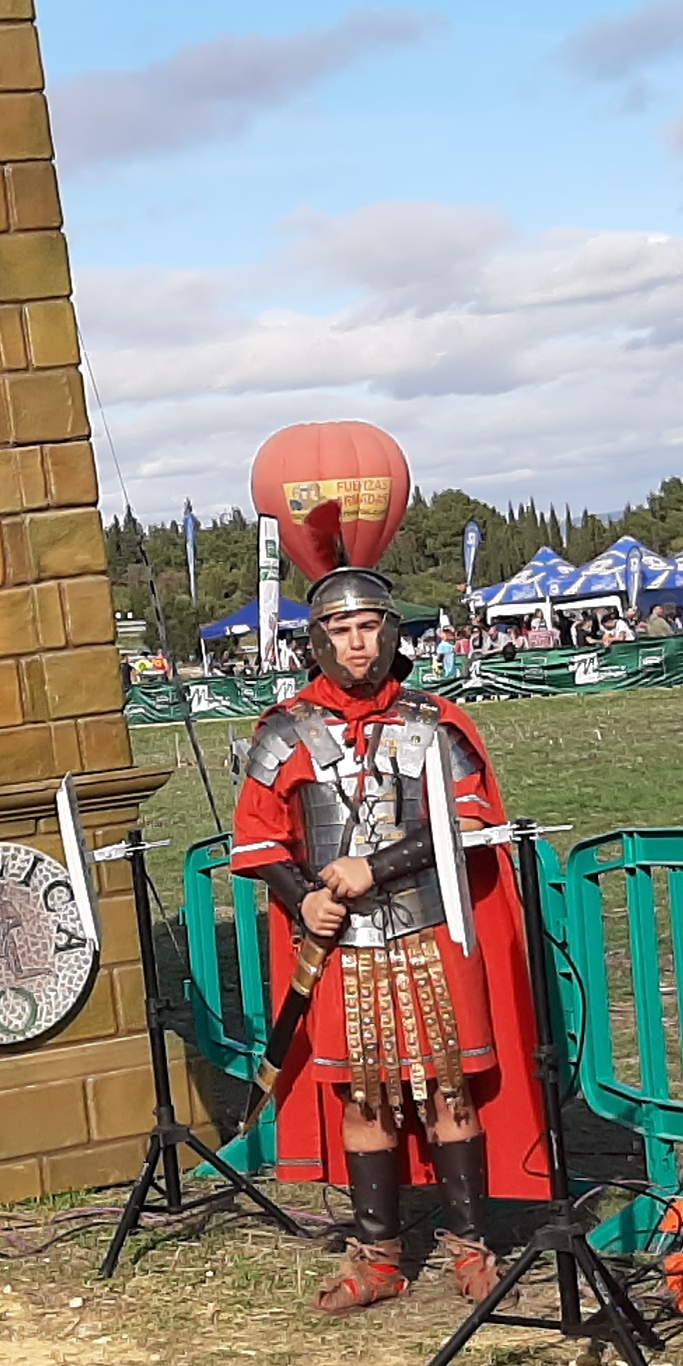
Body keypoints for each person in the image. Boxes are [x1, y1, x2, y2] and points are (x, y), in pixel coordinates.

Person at [230, 523, 553, 1313]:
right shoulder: (284, 729)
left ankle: (471, 1248)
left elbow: (471, 822)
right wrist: (301, 895)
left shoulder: (433, 721)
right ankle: (378, 1257)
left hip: (430, 930)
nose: (356, 642)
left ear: (390, 630)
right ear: (318, 639)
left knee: (449, 1087)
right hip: (343, 945)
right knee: (363, 1096)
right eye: (340, 628)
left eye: (368, 625)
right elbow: (259, 837)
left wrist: (374, 867)